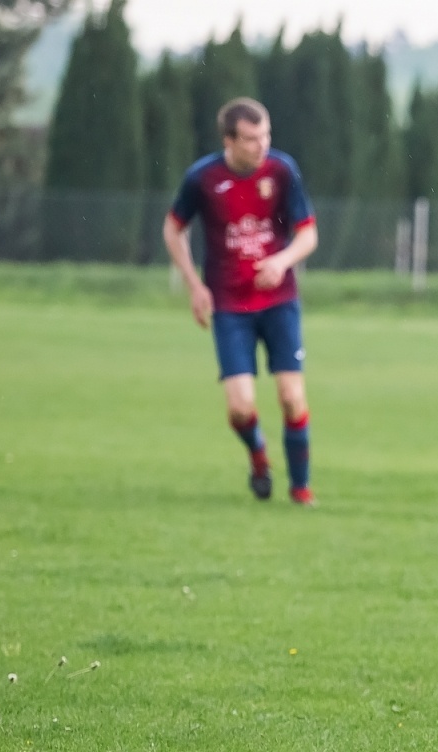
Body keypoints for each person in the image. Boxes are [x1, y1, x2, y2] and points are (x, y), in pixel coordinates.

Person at [163, 97, 319, 506]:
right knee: (240, 408)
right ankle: (258, 456)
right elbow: (173, 228)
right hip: (230, 307)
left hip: (279, 301)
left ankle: (300, 489)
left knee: (291, 398)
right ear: (228, 141)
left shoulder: (282, 170)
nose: (261, 144)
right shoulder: (203, 178)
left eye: (266, 135)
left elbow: (308, 234)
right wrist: (194, 285)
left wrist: (282, 261)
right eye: (251, 138)